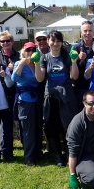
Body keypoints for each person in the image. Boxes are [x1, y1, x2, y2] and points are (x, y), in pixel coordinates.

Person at [33, 30, 79, 167]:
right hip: (51, 96)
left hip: (66, 96)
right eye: (53, 40)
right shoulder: (44, 58)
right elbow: (40, 78)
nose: (55, 43)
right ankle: (58, 156)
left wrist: (74, 61)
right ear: (48, 41)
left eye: (58, 41)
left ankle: (68, 155)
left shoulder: (66, 56)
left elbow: (74, 77)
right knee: (51, 126)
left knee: (68, 126)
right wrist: (36, 63)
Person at [11, 42, 44, 166]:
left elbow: (39, 79)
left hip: (36, 99)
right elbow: (14, 79)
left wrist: (36, 64)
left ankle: (37, 152)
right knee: (28, 129)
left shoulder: (37, 63)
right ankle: (29, 157)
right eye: (28, 50)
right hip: (25, 100)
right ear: (23, 52)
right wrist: (22, 64)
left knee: (37, 127)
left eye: (33, 50)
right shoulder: (18, 63)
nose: (30, 52)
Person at [71, 21, 94, 112]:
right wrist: (77, 58)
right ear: (81, 32)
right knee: (82, 112)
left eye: (90, 30)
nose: (87, 33)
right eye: (85, 31)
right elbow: (71, 68)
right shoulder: (75, 48)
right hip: (81, 87)